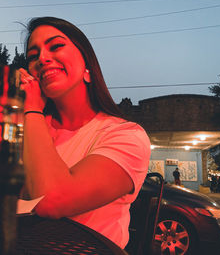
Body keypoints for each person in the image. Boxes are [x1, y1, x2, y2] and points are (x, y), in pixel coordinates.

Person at [18, 16, 151, 249]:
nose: (43, 59)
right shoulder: (25, 126)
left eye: (56, 46)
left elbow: (52, 201)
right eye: (32, 56)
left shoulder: (126, 135)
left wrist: (31, 108)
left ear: (87, 65)